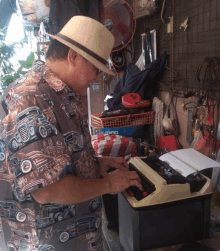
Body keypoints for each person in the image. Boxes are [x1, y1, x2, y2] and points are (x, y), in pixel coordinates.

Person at [0, 16, 143, 251]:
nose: (96, 77)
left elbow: (62, 157)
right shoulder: (32, 99)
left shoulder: (63, 94)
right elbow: (47, 190)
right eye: (95, 69)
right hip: (48, 241)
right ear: (73, 56)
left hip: (76, 236)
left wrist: (97, 164)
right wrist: (108, 184)